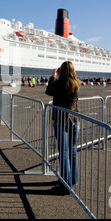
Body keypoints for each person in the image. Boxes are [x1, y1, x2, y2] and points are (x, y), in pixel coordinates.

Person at [45, 61, 80, 191]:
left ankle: (65, 184)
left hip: (61, 120)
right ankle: (73, 179)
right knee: (72, 150)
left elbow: (49, 91)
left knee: (64, 152)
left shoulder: (59, 83)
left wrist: (53, 75)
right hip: (75, 120)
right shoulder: (76, 82)